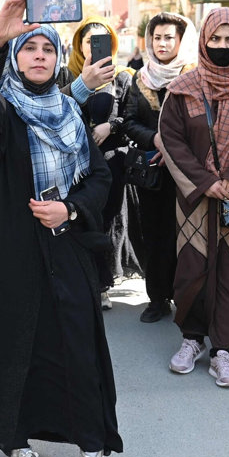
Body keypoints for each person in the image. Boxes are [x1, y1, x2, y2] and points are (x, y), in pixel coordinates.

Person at [0, 0, 123, 457]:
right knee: (18, 348)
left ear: (57, 59)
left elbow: (98, 176)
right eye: (28, 49)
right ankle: (19, 450)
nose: (38, 57)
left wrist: (70, 210)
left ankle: (93, 451)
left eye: (47, 50)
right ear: (16, 56)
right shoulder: (3, 114)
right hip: (16, 256)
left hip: (68, 248)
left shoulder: (71, 111)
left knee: (80, 345)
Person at [158, 7, 229, 387]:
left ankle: (223, 350)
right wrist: (205, 181)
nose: (222, 46)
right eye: (215, 39)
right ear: (203, 41)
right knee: (191, 269)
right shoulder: (184, 88)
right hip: (195, 200)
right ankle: (192, 339)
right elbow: (172, 140)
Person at [122, 12, 199, 322]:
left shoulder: (197, 76)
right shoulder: (140, 78)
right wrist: (155, 138)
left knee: (187, 238)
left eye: (169, 37)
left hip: (189, 174)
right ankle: (157, 299)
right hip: (153, 172)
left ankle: (188, 298)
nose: (163, 43)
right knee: (154, 236)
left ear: (181, 41)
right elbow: (129, 122)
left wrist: (176, 149)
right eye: (157, 37)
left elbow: (202, 125)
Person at [66, 17, 134, 308]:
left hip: (109, 162)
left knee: (107, 222)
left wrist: (112, 127)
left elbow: (131, 118)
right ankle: (85, 282)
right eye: (89, 41)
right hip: (74, 163)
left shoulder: (123, 76)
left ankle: (104, 284)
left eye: (102, 40)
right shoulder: (65, 76)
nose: (95, 46)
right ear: (79, 45)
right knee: (80, 222)